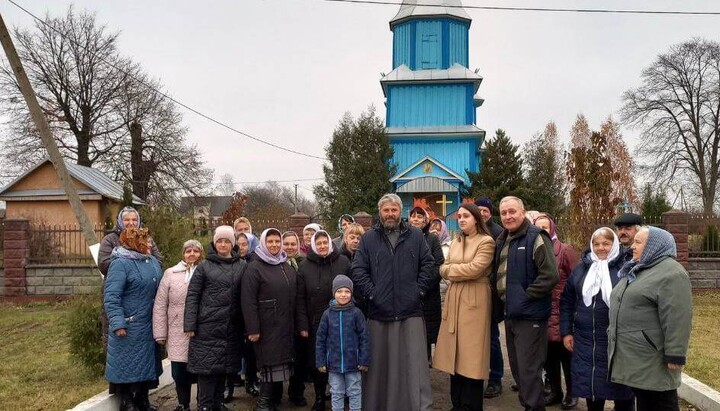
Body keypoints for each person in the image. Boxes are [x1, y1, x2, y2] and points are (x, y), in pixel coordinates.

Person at [351, 193, 435, 411]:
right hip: (379, 312)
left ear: (400, 212)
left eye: (394, 210)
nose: (390, 214)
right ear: (380, 212)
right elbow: (358, 269)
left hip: (410, 311)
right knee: (379, 368)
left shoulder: (416, 236)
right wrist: (373, 294)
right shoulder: (369, 238)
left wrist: (418, 292)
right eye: (386, 210)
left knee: (413, 365)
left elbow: (428, 265)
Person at [609, 226, 693, 411]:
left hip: (654, 358)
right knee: (646, 402)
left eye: (638, 242)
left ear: (654, 246)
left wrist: (676, 354)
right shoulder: (639, 269)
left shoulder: (671, 273)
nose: (632, 246)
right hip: (639, 356)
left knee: (662, 402)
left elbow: (678, 317)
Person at [492, 196, 559, 411]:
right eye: (504, 213)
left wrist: (524, 296)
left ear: (523, 212)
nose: (508, 216)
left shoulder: (536, 237)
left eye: (512, 211)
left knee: (529, 372)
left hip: (531, 317)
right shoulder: (502, 239)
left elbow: (550, 276)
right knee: (519, 370)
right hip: (512, 315)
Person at [559, 228, 633, 411]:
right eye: (596, 244)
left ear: (614, 244)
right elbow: (567, 301)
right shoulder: (582, 269)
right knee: (592, 388)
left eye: (606, 244)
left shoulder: (626, 268)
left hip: (617, 341)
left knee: (622, 392)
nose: (601, 248)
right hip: (586, 341)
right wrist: (566, 331)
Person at [432, 203, 495, 411]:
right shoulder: (457, 241)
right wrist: (453, 270)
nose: (461, 219)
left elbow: (475, 269)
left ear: (476, 218)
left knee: (472, 356)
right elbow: (442, 266)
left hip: (474, 300)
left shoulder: (486, 242)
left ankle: (471, 405)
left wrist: (451, 270)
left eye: (466, 216)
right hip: (454, 299)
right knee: (454, 354)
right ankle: (456, 403)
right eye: (459, 216)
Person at [184, 226, 247, 411]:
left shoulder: (242, 266)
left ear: (232, 244)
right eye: (220, 241)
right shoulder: (204, 266)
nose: (223, 244)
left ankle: (218, 404)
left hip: (230, 328)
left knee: (224, 369)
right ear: (214, 242)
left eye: (227, 241)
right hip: (207, 328)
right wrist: (190, 324)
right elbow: (193, 295)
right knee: (206, 372)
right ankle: (205, 406)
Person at [242, 228, 302, 411]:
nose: (275, 245)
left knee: (280, 365)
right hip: (266, 327)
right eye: (270, 241)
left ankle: (272, 402)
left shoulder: (285, 265)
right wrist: (253, 329)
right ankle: (262, 404)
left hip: (284, 325)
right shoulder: (255, 267)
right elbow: (248, 300)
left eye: (277, 241)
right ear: (263, 243)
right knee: (269, 367)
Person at [104, 227, 163, 411]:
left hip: (149, 323)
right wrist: (118, 322)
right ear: (133, 243)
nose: (149, 245)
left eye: (149, 241)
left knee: (146, 363)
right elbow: (112, 296)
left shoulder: (152, 261)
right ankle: (127, 401)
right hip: (130, 324)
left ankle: (143, 399)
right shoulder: (120, 263)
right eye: (144, 242)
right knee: (127, 365)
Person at [296, 230, 352, 410]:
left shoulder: (343, 261)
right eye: (318, 243)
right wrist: (303, 324)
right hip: (316, 321)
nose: (322, 246)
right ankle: (319, 396)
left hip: (341, 319)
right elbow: (300, 299)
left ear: (330, 243)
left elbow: (352, 289)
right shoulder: (304, 266)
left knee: (341, 358)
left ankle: (342, 395)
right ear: (313, 245)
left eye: (324, 243)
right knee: (318, 361)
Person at [99, 207, 162, 353]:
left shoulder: (146, 239)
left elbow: (158, 261)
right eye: (127, 219)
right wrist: (130, 261)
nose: (131, 223)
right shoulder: (110, 239)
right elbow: (103, 264)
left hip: (143, 295)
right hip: (121, 292)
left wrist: (144, 262)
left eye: (134, 219)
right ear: (120, 221)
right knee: (119, 343)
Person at [533, 214, 580, 409]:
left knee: (566, 355)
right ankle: (555, 391)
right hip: (542, 311)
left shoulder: (565, 250)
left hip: (562, 311)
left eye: (545, 227)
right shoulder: (533, 249)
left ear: (552, 228)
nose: (542, 231)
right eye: (538, 228)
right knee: (549, 356)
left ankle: (572, 392)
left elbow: (577, 279)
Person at [153, 240, 203, 411]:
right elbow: (160, 304)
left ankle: (203, 403)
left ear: (200, 254)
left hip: (200, 330)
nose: (191, 254)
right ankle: (183, 404)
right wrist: (160, 333)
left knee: (201, 370)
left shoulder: (205, 272)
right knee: (179, 372)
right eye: (188, 251)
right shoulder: (170, 274)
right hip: (176, 330)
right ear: (183, 254)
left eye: (196, 251)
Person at [316, 275, 370, 411]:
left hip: (353, 363)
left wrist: (364, 360)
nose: (343, 295)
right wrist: (321, 361)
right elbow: (320, 339)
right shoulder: (327, 314)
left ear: (351, 293)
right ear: (334, 293)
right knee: (336, 392)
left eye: (347, 291)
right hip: (334, 364)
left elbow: (364, 338)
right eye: (339, 291)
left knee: (355, 391)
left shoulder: (357, 313)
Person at [474, 196, 505, 398]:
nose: (483, 213)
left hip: (492, 295)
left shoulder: (499, 233)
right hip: (474, 295)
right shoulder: (471, 230)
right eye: (479, 210)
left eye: (485, 210)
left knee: (492, 338)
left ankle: (495, 378)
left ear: (490, 212)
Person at [408, 206, 445, 360]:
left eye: (419, 216)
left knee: (427, 332)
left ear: (425, 220)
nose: (416, 219)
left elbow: (439, 264)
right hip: (409, 293)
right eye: (413, 216)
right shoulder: (405, 237)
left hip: (428, 294)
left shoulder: (432, 239)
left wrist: (424, 285)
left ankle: (427, 363)